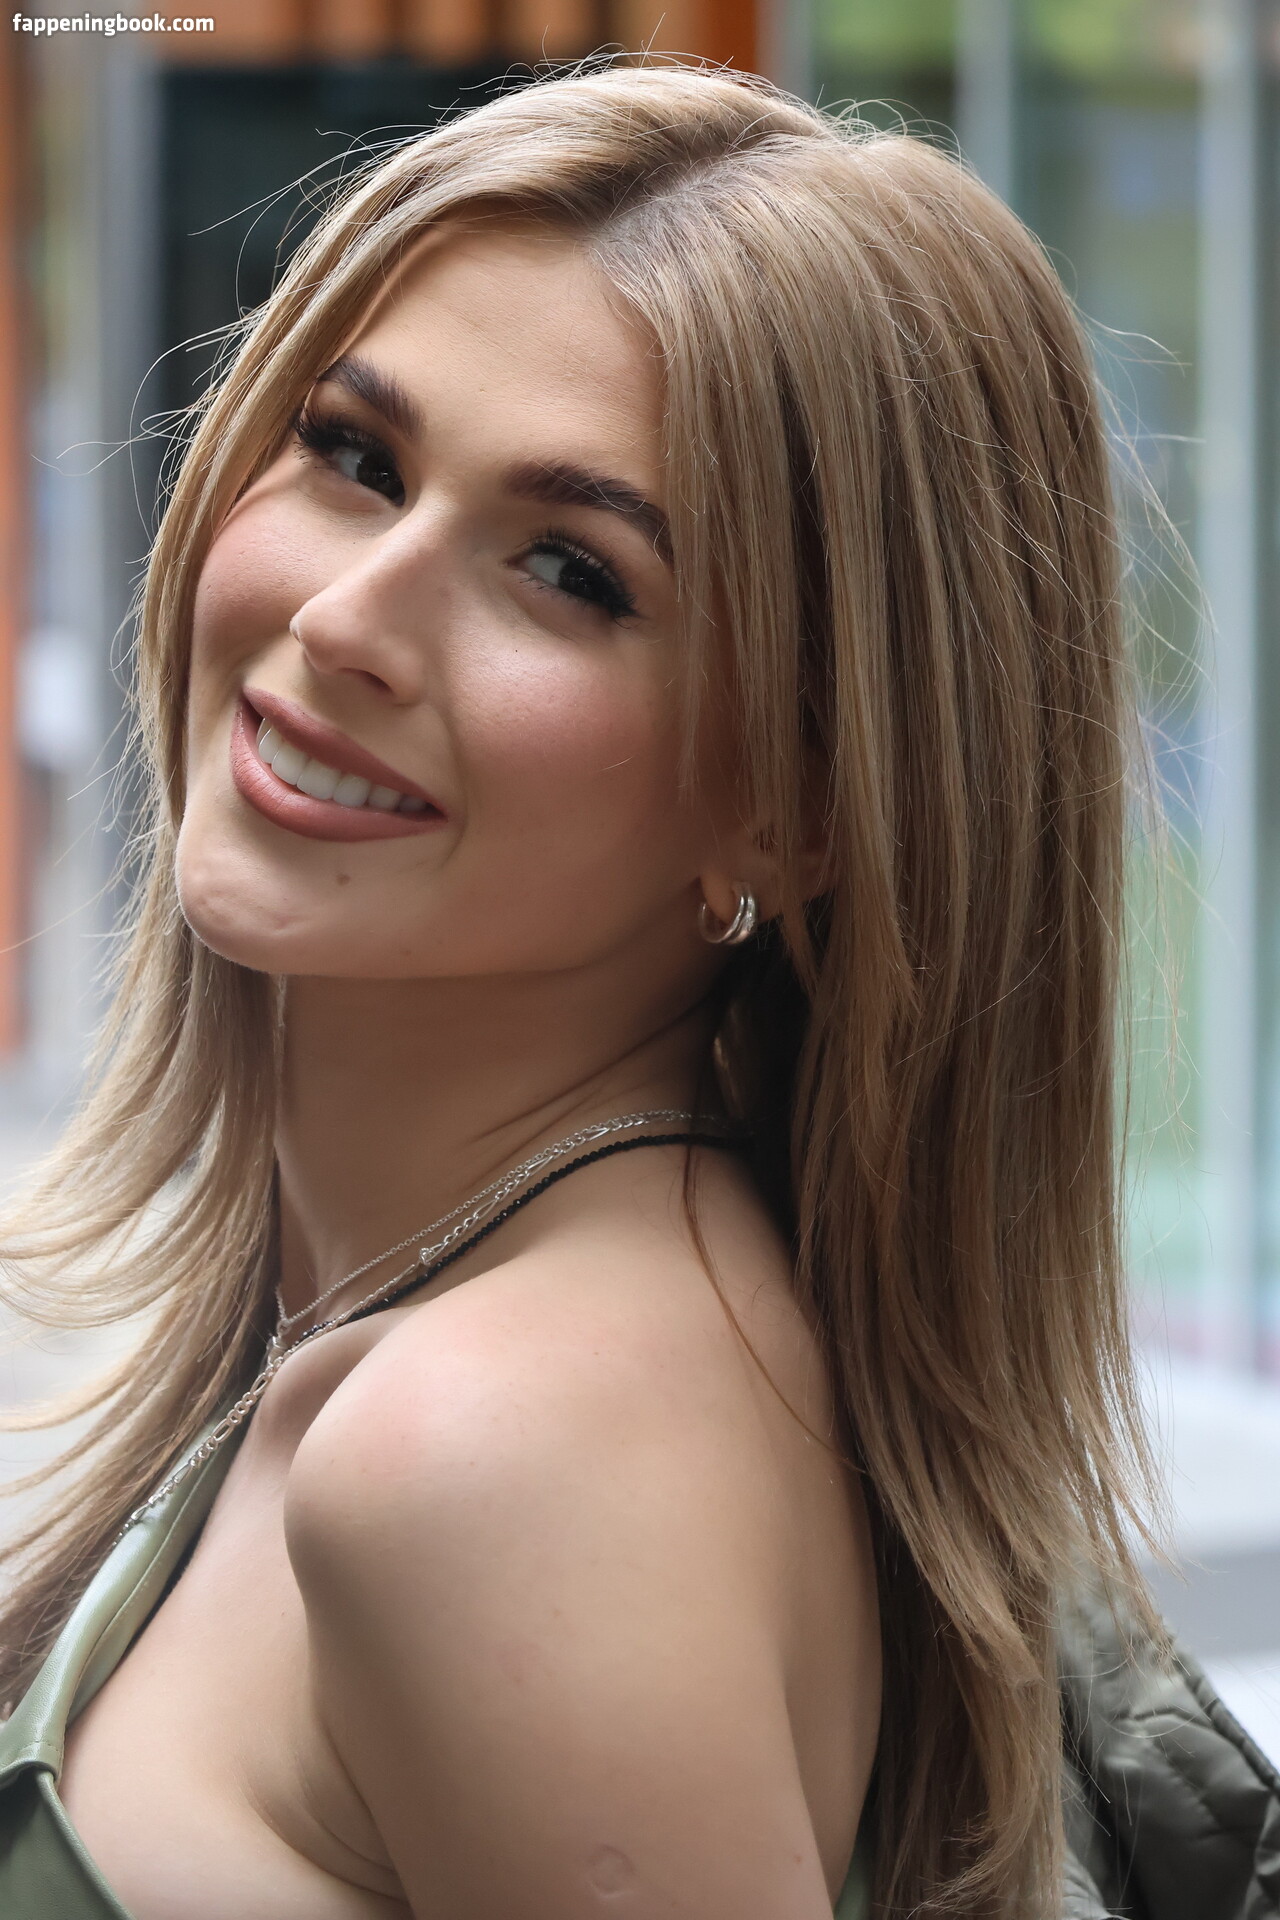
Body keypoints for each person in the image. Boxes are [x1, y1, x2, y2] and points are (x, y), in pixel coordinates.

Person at [0, 60, 1176, 1919]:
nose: (344, 620)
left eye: (570, 572)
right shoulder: (526, 1307)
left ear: (793, 809)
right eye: (355, 457)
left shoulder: (491, 1462)